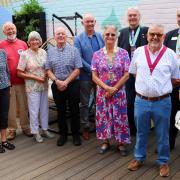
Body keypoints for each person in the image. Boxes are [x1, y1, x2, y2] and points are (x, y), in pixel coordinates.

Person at [127, 24, 179, 177]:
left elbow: (176, 78)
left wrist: (158, 87)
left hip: (162, 101)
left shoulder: (170, 54)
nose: (155, 37)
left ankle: (163, 162)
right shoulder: (138, 52)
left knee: (163, 133)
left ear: (163, 37)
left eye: (159, 34)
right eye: (152, 34)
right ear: (147, 36)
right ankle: (139, 158)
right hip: (141, 100)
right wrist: (146, 86)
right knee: (141, 132)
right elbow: (134, 73)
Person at [91, 25, 131, 156]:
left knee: (120, 116)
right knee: (104, 116)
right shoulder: (96, 55)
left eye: (113, 34)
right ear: (103, 36)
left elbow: (126, 74)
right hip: (103, 93)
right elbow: (94, 76)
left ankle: (121, 143)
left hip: (119, 92)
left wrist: (114, 89)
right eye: (107, 34)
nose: (110, 37)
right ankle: (105, 141)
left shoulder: (124, 53)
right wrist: (107, 88)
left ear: (117, 36)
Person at [45, 27, 82, 146]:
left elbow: (77, 69)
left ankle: (76, 134)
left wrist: (66, 82)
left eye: (63, 34)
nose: (60, 36)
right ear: (55, 37)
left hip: (72, 84)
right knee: (60, 111)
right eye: (58, 34)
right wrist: (57, 81)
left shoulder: (74, 50)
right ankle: (63, 135)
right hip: (57, 85)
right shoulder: (50, 52)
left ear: (66, 37)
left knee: (74, 110)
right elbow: (48, 70)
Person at [17, 31, 54, 143]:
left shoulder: (43, 52)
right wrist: (36, 78)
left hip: (44, 85)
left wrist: (47, 75)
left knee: (44, 108)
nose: (35, 41)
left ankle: (45, 129)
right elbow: (19, 72)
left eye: (36, 39)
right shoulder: (24, 54)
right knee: (34, 110)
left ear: (40, 41)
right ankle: (35, 132)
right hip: (32, 87)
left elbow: (48, 67)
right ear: (29, 42)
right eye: (32, 40)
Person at [117, 7, 148, 136]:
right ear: (127, 18)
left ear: (139, 17)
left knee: (143, 101)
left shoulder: (146, 31)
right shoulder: (122, 32)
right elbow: (118, 52)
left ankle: (144, 128)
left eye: (135, 15)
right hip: (127, 74)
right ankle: (132, 128)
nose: (132, 18)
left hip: (143, 73)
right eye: (130, 16)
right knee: (129, 102)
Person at [74, 13, 104, 140]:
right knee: (85, 103)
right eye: (87, 22)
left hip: (101, 76)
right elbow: (78, 57)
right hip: (86, 76)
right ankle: (85, 127)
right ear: (83, 23)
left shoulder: (100, 36)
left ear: (95, 22)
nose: (90, 24)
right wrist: (92, 70)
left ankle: (100, 125)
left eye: (92, 21)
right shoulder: (78, 38)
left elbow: (104, 52)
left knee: (100, 102)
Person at [0, 22, 32, 140]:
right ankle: (12, 129)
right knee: (10, 108)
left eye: (12, 29)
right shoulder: (1, 45)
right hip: (9, 83)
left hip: (23, 81)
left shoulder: (23, 44)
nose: (11, 31)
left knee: (24, 106)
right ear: (4, 32)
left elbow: (29, 61)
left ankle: (25, 126)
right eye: (8, 29)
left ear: (16, 30)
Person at [163, 8, 180, 150]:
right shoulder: (170, 35)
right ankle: (169, 142)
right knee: (171, 113)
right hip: (173, 84)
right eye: (179, 16)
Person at [0, 49, 15, 153]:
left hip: (5, 88)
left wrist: (9, 86)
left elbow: (6, 70)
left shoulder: (2, 52)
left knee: (4, 115)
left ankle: (4, 140)